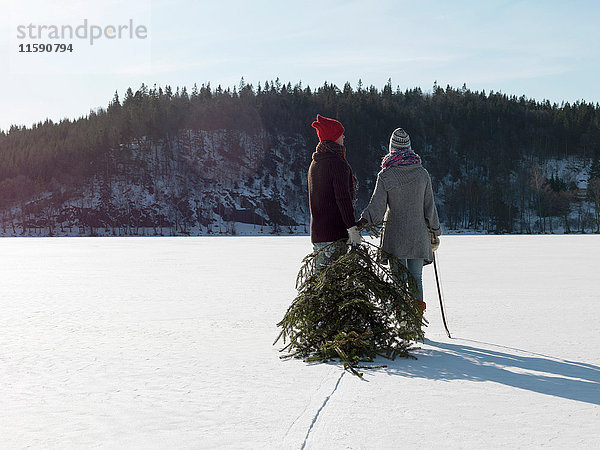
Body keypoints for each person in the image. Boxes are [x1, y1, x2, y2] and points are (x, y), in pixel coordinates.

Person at [358, 128, 441, 310]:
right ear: (409, 148)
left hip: (395, 235)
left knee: (398, 279)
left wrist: (361, 223)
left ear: (391, 148)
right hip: (418, 235)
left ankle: (402, 316)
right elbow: (430, 207)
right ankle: (416, 319)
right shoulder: (422, 174)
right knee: (416, 278)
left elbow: (377, 207)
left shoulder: (386, 175)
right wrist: (435, 231)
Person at [308, 114, 362, 268]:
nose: (343, 136)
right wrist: (352, 228)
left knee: (321, 286)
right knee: (336, 286)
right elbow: (342, 198)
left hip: (318, 235)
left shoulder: (315, 162)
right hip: (334, 235)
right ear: (333, 137)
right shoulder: (337, 163)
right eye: (340, 133)